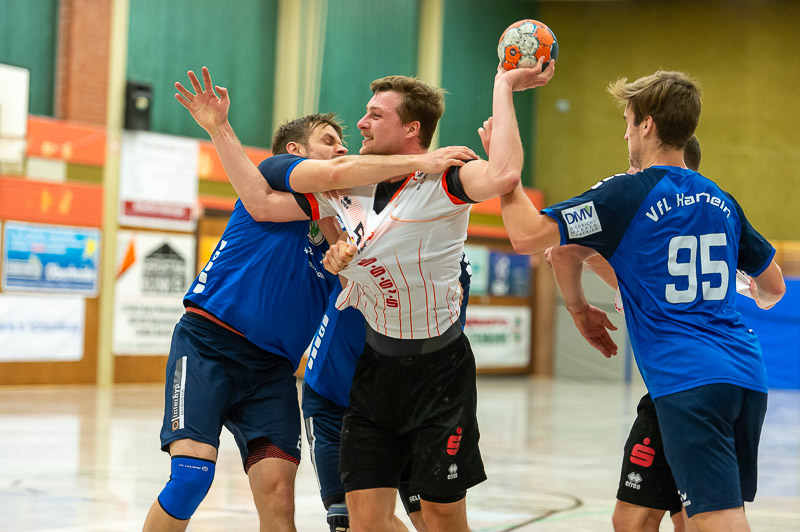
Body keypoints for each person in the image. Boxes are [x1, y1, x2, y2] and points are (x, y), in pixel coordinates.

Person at [142, 67, 476, 532]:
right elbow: (291, 191)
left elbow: (357, 245)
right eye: (329, 140)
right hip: (209, 345)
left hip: (272, 370)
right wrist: (219, 127)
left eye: (343, 142)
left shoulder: (341, 211)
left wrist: (349, 256)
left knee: (280, 502)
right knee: (191, 479)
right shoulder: (276, 174)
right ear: (296, 151)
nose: (341, 147)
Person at [236, 60, 555, 531]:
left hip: (438, 373)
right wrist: (221, 128)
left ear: (411, 129)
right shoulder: (346, 182)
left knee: (441, 519)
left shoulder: (447, 179)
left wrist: (503, 84)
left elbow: (505, 174)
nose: (361, 123)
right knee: (364, 522)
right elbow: (261, 201)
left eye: (375, 115)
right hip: (373, 373)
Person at [500, 70, 785, 532]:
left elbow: (527, 236)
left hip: (689, 381)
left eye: (628, 122)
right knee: (639, 518)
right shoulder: (722, 201)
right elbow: (774, 289)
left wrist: (506, 176)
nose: (626, 134)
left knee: (716, 519)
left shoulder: (628, 192)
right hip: (741, 376)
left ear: (647, 124)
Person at [547, 135, 702, 532]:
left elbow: (551, 245)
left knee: (679, 519)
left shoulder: (663, 234)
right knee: (649, 518)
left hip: (690, 390)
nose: (632, 175)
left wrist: (578, 297)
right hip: (678, 392)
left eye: (640, 167)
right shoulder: (690, 229)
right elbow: (609, 269)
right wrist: (584, 257)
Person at [303, 251, 472, 532]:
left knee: (431, 517)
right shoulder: (361, 236)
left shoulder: (449, 259)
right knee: (347, 517)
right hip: (333, 396)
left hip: (403, 400)